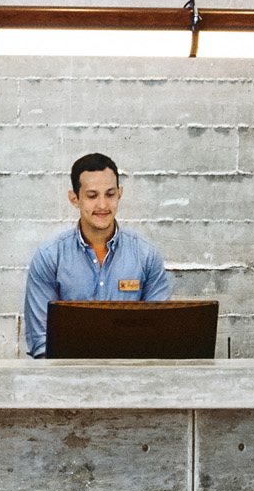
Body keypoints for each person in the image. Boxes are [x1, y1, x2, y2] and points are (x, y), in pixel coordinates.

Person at [22, 152, 173, 357]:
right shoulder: (49, 256)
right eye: (92, 196)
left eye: (110, 194)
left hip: (131, 372)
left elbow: (160, 333)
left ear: (119, 194)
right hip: (68, 373)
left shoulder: (146, 255)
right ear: (74, 199)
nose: (102, 205)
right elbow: (42, 341)